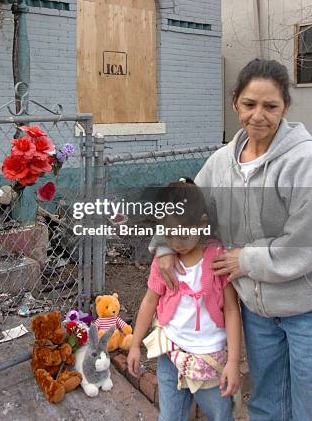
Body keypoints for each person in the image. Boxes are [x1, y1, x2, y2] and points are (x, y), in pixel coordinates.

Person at [154, 59, 312, 421]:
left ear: (285, 107)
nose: (259, 115)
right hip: (255, 311)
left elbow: (304, 242)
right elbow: (185, 205)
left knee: (307, 401)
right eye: (249, 104)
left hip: (304, 308)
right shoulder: (222, 162)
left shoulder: (303, 161)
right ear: (235, 103)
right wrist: (164, 245)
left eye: (270, 106)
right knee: (266, 400)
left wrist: (245, 261)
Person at [127, 179, 241, 421]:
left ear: (201, 225)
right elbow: (149, 302)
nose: (176, 241)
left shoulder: (218, 259)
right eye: (168, 233)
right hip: (171, 354)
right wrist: (135, 344)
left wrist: (233, 361)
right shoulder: (164, 262)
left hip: (210, 360)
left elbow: (232, 309)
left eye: (182, 232)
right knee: (170, 417)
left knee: (221, 416)